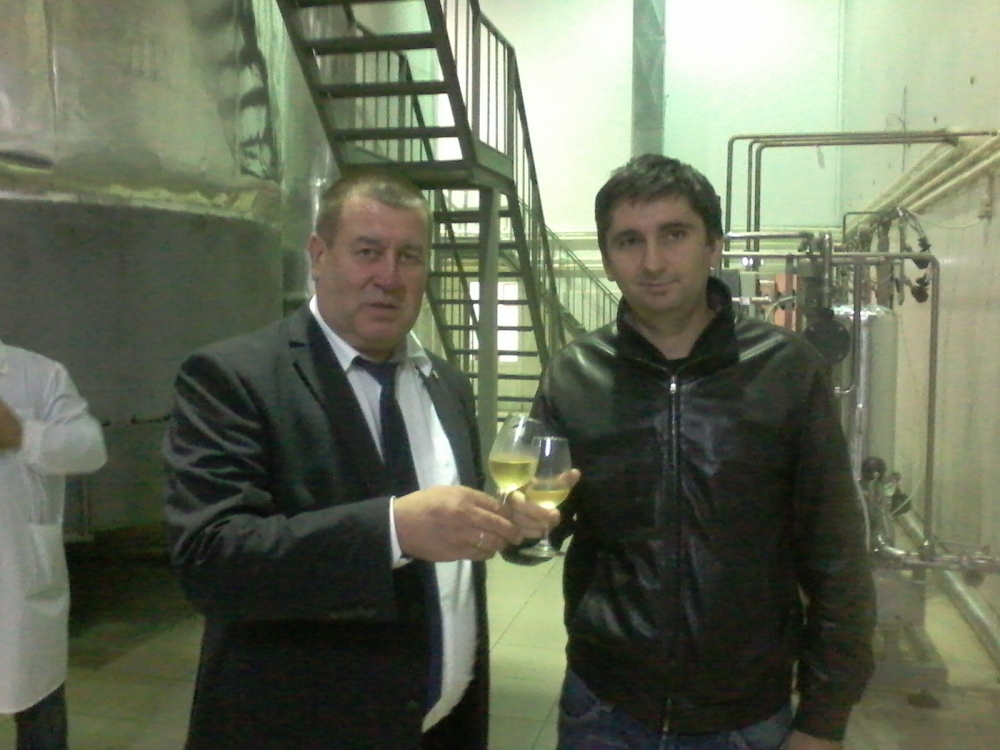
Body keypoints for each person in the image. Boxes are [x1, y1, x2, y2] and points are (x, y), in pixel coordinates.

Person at [163, 170, 558, 750]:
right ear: (318, 257)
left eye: (409, 257)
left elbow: (451, 536)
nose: (389, 278)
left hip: (441, 728)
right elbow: (212, 561)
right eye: (368, 252)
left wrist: (508, 523)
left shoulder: (445, 385)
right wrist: (392, 531)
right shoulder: (235, 378)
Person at [517, 154, 876, 750]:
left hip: (745, 715)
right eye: (629, 241)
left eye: (674, 234)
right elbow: (541, 523)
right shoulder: (574, 375)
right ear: (607, 257)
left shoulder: (786, 370)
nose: (653, 261)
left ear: (713, 245)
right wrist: (520, 527)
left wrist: (823, 716)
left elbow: (835, 550)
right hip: (604, 706)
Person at [0, 338, 108, 750]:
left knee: (38, 704)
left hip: (20, 576)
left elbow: (90, 448)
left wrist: (22, 435)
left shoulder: (40, 374)